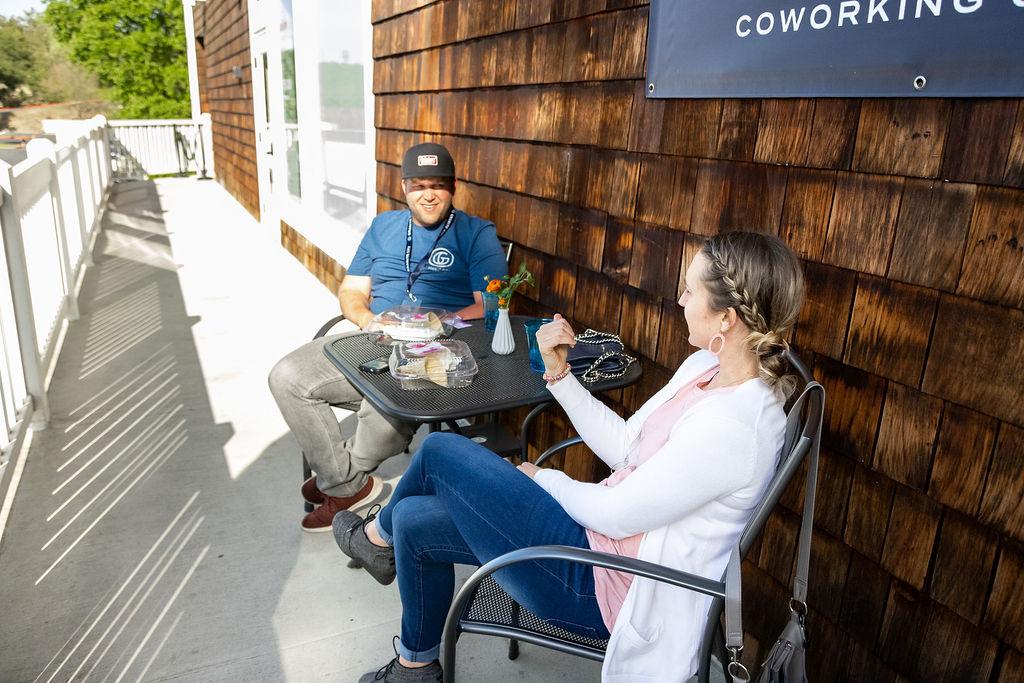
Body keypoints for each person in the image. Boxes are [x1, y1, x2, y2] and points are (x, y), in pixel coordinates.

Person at [334, 231, 806, 681]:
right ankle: (414, 667)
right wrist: (560, 375)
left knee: (440, 450)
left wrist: (543, 479)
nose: (680, 300)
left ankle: (374, 538)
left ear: (726, 319)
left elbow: (617, 515)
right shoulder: (705, 367)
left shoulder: (736, 426)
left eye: (689, 291)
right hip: (590, 537)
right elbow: (626, 446)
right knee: (414, 518)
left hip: (607, 585)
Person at [268, 142, 508, 532]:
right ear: (404, 187)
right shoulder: (384, 227)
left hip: (434, 349)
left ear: (453, 187)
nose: (428, 194)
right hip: (374, 340)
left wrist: (436, 321)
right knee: (287, 377)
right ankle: (347, 483)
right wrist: (368, 320)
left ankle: (338, 481)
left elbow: (491, 304)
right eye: (419, 185)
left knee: (385, 400)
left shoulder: (475, 233)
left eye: (438, 185)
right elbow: (351, 291)